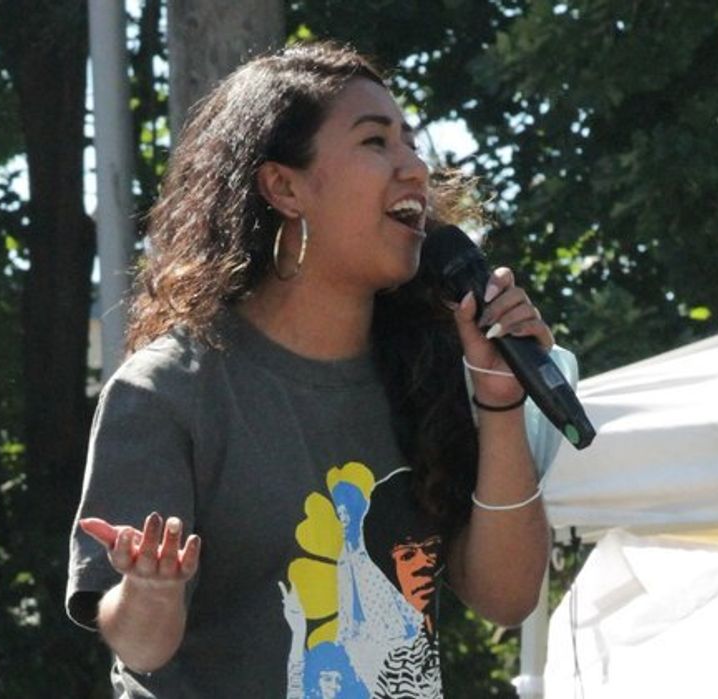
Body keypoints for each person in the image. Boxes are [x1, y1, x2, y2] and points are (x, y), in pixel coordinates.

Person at [67, 41, 565, 698]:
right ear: (284, 186)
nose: (414, 168)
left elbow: (505, 598)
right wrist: (150, 587)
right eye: (375, 142)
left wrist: (500, 401)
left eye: (410, 142)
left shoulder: (430, 368)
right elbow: (142, 643)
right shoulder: (169, 390)